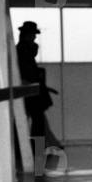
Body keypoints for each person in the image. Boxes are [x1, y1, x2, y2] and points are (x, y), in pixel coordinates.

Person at [16, 21, 61, 149]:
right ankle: (37, 147)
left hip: (30, 90)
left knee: (34, 120)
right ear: (28, 35)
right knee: (38, 121)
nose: (35, 37)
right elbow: (28, 71)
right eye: (33, 35)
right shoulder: (24, 50)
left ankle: (34, 147)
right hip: (30, 90)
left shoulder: (22, 49)